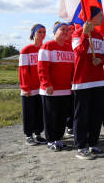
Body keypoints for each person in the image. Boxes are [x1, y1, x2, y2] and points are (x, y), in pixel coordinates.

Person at [71, 7, 104, 159]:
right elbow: (79, 52)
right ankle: (81, 147)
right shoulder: (76, 34)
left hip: (99, 82)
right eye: (100, 15)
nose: (102, 18)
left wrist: (101, 60)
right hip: (83, 82)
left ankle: (93, 145)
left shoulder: (100, 36)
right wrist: (85, 34)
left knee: (96, 115)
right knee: (82, 115)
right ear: (92, 17)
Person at [38, 22, 74, 152]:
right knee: (50, 116)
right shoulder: (47, 46)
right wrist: (47, 84)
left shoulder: (69, 48)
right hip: (50, 90)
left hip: (65, 89)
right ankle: (51, 141)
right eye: (62, 29)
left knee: (62, 116)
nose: (65, 31)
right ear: (55, 31)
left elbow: (72, 70)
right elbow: (42, 68)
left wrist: (73, 83)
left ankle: (58, 139)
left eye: (67, 30)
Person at [19, 24, 47, 146]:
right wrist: (25, 87)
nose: (42, 34)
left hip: (41, 88)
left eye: (44, 32)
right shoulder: (26, 50)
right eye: (40, 32)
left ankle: (38, 134)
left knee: (40, 112)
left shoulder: (45, 49)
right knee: (29, 112)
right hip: (29, 88)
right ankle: (29, 135)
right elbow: (23, 70)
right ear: (33, 33)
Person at [65, 22, 76, 137]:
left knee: (73, 104)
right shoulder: (63, 44)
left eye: (73, 29)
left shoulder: (75, 43)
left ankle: (71, 126)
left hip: (75, 80)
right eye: (69, 29)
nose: (72, 31)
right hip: (64, 81)